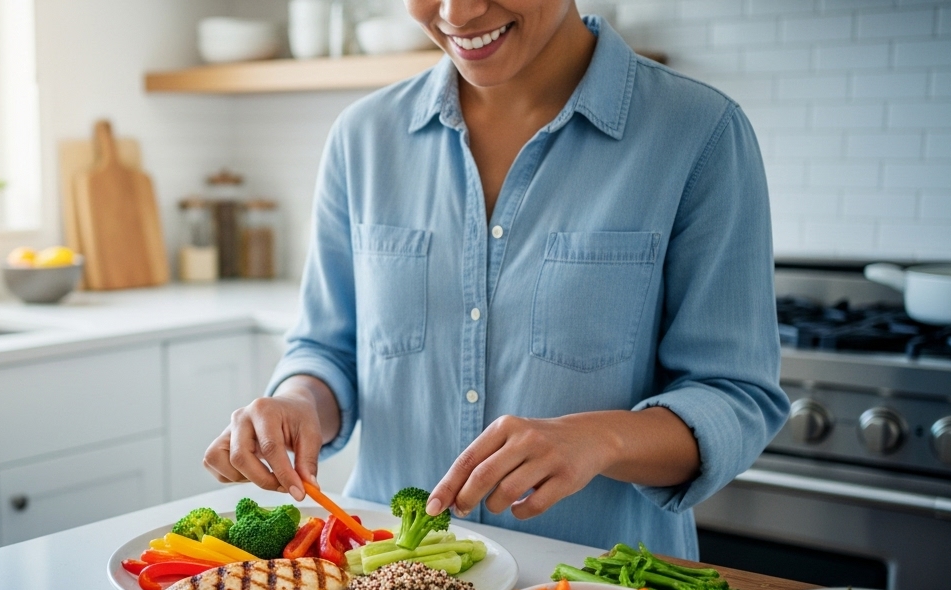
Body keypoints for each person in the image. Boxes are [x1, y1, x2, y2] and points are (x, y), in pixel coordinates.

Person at [202, 0, 787, 559]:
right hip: (386, 582)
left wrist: (600, 439)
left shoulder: (700, 134)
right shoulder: (363, 138)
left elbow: (734, 397)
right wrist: (297, 402)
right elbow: (328, 349)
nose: (457, 14)